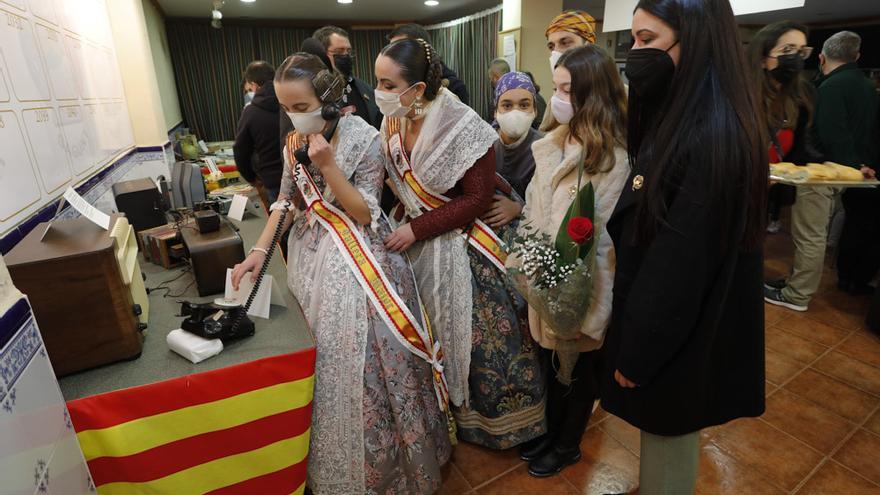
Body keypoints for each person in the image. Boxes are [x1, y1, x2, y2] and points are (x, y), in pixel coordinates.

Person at [232, 53, 451, 494]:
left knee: (367, 361)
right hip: (312, 256)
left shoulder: (365, 139)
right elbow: (286, 202)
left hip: (361, 259)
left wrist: (330, 164)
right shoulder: (293, 141)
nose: (293, 118)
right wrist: (260, 248)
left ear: (328, 100)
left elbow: (364, 213)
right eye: (285, 108)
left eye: (300, 107)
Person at [601, 1, 766, 493]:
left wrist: (639, 352)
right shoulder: (686, 116)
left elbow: (679, 266)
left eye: (648, 40)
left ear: (695, 41)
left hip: (673, 331)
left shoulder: (711, 135)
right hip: (673, 323)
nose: (636, 53)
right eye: (632, 41)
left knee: (669, 432)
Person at [375, 38, 546, 449]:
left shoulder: (465, 127)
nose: (378, 91)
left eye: (386, 82)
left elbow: (474, 198)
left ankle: (501, 427)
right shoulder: (392, 121)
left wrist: (416, 229)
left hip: (471, 244)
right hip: (416, 238)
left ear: (417, 88)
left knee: (487, 339)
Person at [517, 45, 630, 477]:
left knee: (580, 369)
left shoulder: (612, 157)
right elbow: (533, 206)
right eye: (557, 88)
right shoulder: (553, 143)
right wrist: (530, 254)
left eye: (569, 89)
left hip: (585, 279)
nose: (559, 97)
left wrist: (567, 272)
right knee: (552, 363)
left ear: (593, 94)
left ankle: (568, 444)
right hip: (547, 272)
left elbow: (602, 233)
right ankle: (551, 432)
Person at [751, 22, 828, 312]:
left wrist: (838, 167)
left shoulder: (801, 97)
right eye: (786, 50)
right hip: (732, 188)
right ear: (762, 57)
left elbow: (802, 148)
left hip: (765, 191)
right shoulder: (742, 94)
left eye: (800, 50)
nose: (795, 57)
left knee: (751, 246)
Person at [813, 31, 880, 294]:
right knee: (862, 225)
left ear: (821, 57)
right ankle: (858, 279)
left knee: (822, 230)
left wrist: (853, 165)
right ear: (857, 55)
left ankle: (842, 278)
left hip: (836, 170)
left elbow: (833, 133)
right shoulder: (868, 86)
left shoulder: (830, 87)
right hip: (867, 168)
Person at [233, 61, 283, 203]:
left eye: (248, 89)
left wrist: (251, 178)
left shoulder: (250, 112)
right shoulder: (289, 102)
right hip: (298, 178)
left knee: (279, 222)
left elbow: (240, 150)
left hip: (271, 180)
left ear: (254, 85)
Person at [314, 26, 382, 129]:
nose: (346, 56)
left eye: (348, 51)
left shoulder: (366, 89)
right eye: (339, 51)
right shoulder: (310, 91)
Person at [541, 10, 597, 131]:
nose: (556, 53)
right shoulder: (556, 97)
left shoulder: (618, 93)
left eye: (565, 43)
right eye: (551, 47)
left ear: (588, 46)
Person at [388, 23, 470, 105]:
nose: (392, 56)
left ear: (419, 50)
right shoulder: (398, 82)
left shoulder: (454, 88)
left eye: (399, 49)